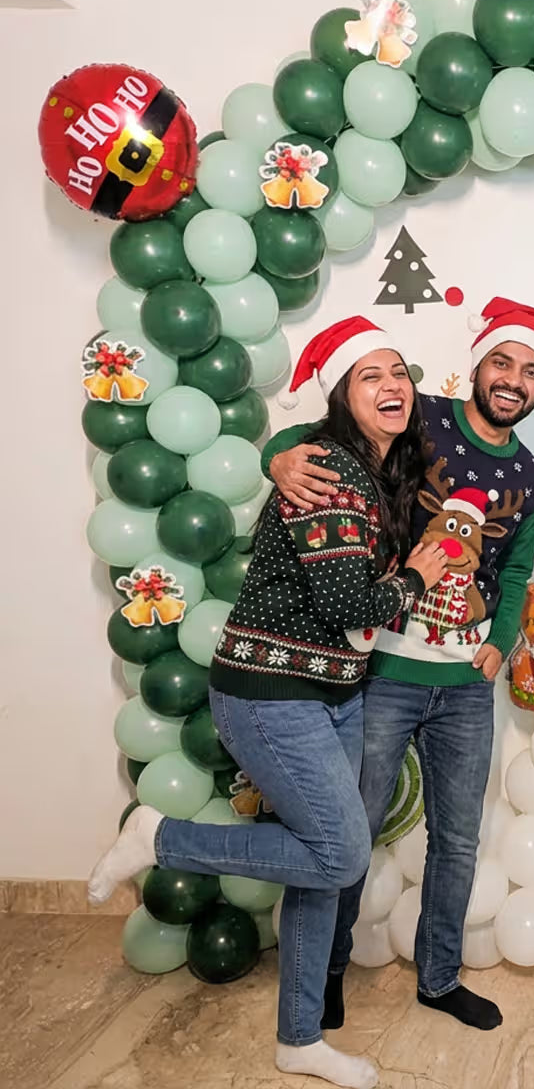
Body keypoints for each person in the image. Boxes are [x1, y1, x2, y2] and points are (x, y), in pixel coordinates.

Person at [88, 317, 446, 1089]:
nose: (392, 386)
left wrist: (268, 453)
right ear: (341, 398)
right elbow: (355, 601)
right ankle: (161, 837)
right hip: (271, 694)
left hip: (331, 694)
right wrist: (419, 573)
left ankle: (300, 1040)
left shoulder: (376, 468)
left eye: (399, 372)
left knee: (324, 870)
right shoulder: (331, 473)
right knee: (342, 853)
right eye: (369, 375)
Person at [264, 297, 534, 1032]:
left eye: (529, 372)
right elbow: (320, 432)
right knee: (350, 830)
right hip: (386, 671)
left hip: (465, 684)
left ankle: (439, 977)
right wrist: (280, 454)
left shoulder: (529, 471)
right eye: (502, 362)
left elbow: (516, 569)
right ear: (478, 365)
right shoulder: (418, 414)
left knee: (457, 837)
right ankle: (324, 975)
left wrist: (503, 644)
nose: (512, 379)